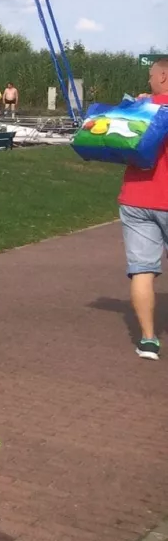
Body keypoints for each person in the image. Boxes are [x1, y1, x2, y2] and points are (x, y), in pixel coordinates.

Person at [121, 58, 168, 359]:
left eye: (151, 75)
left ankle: (148, 339)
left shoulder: (140, 110)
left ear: (163, 76)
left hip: (136, 197)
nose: (148, 80)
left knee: (142, 270)